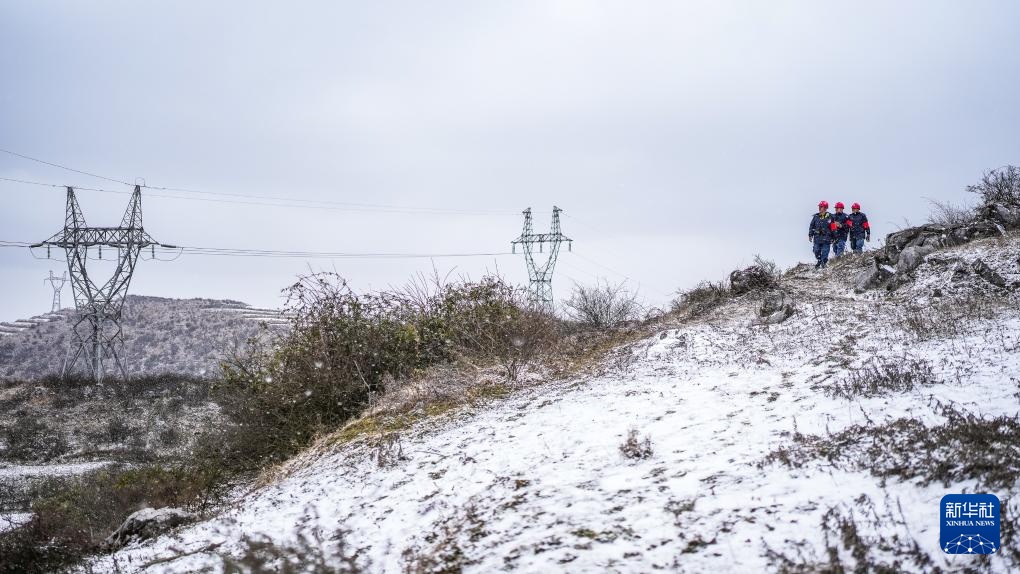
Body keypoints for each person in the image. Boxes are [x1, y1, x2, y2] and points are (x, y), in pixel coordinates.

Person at [808, 201, 837, 269]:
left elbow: (833, 227)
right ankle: (819, 260)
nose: (819, 208)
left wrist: (835, 237)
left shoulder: (830, 217)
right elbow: (812, 226)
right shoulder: (815, 217)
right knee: (816, 250)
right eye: (819, 207)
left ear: (825, 208)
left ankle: (823, 263)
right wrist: (810, 235)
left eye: (821, 207)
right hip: (817, 238)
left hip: (827, 238)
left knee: (825, 252)